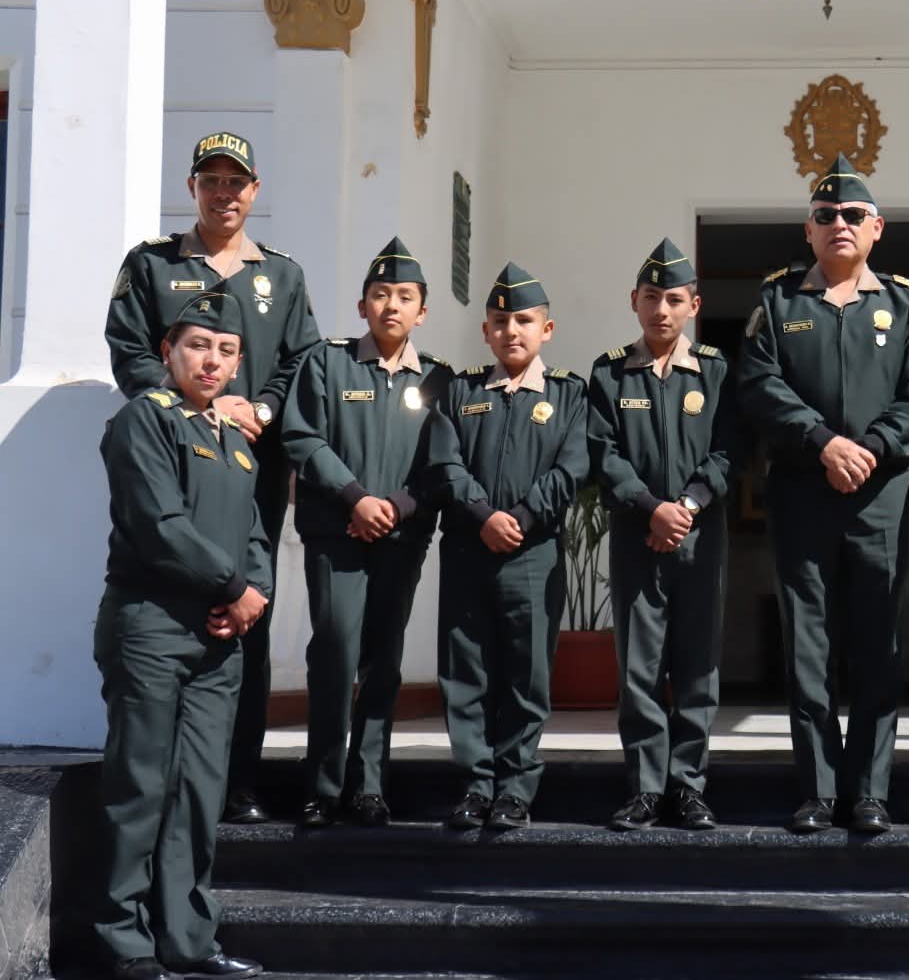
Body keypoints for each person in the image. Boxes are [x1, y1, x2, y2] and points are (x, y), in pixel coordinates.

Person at [104, 132, 319, 824]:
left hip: (251, 464)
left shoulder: (282, 276)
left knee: (248, 603)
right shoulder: (152, 265)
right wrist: (193, 405)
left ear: (255, 190)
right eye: (211, 180)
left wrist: (254, 407)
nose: (224, 193)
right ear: (192, 187)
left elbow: (300, 363)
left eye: (237, 182)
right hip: (173, 459)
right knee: (177, 590)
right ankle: (170, 772)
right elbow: (130, 350)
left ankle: (238, 776)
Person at [737, 154, 909, 835]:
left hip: (881, 499)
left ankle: (872, 792)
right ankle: (820, 791)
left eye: (853, 216)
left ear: (877, 227)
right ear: (808, 230)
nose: (840, 225)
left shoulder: (908, 303)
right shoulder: (777, 301)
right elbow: (759, 387)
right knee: (808, 646)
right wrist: (822, 442)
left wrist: (873, 447)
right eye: (825, 216)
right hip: (801, 492)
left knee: (877, 642)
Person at [94, 292, 270, 980]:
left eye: (227, 351)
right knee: (139, 785)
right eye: (199, 345)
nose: (212, 360)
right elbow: (159, 525)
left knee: (198, 792)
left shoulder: (235, 444)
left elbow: (254, 536)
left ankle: (188, 940)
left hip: (218, 637)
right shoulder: (145, 421)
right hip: (152, 625)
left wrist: (252, 600)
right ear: (168, 351)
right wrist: (234, 588)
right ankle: (124, 943)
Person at [281, 237, 453, 828]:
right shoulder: (326, 363)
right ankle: (323, 785)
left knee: (383, 660)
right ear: (362, 306)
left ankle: (369, 783)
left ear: (422, 311)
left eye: (405, 297)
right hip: (338, 536)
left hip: (400, 540)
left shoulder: (437, 379)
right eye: (381, 295)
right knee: (333, 650)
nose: (392, 306)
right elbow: (303, 438)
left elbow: (442, 464)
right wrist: (356, 500)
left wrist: (398, 508)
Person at [423, 262, 588, 830]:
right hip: (469, 550)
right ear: (486, 332)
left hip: (532, 553)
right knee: (466, 670)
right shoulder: (461, 391)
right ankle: (475, 783)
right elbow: (445, 463)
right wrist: (483, 516)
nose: (511, 330)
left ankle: (516, 787)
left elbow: (572, 469)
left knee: (526, 672)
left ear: (548, 329)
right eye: (500, 321)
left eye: (524, 320)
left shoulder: (569, 394)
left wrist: (517, 517)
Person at [587, 238, 742, 832]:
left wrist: (687, 506)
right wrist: (651, 509)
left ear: (693, 306)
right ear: (634, 301)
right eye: (651, 298)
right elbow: (602, 452)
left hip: (700, 538)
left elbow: (730, 450)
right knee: (640, 666)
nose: (661, 310)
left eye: (673, 299)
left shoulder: (718, 372)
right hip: (636, 537)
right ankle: (647, 786)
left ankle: (689, 785)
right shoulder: (607, 374)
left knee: (698, 663)